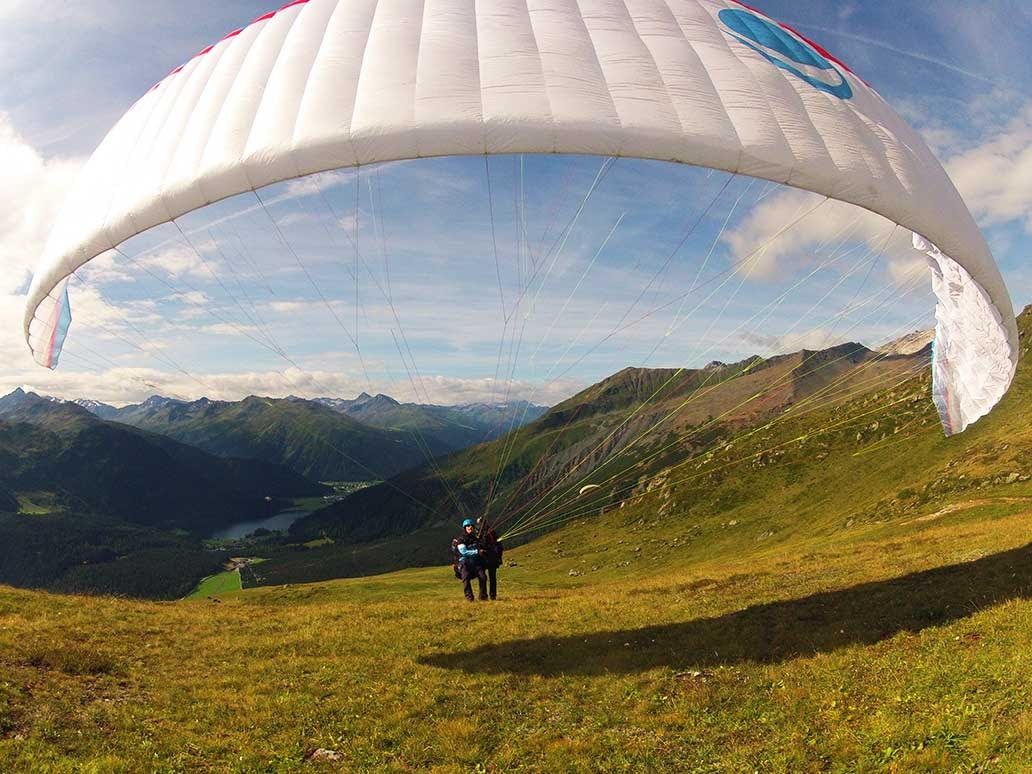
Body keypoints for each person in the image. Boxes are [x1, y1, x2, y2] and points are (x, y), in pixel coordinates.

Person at [454, 517, 487, 602]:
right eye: (468, 526)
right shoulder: (461, 539)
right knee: (466, 578)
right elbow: (464, 552)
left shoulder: (476, 539)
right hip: (465, 562)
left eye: (471, 525)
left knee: (483, 577)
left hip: (476, 562)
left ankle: (483, 597)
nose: (470, 527)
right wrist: (477, 552)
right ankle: (469, 598)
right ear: (465, 528)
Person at [477, 518, 504, 600]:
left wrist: (499, 557)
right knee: (485, 577)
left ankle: (487, 595)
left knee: (487, 577)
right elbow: (499, 546)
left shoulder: (490, 532)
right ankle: (487, 595)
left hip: (489, 557)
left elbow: (498, 545)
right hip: (487, 557)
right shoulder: (480, 533)